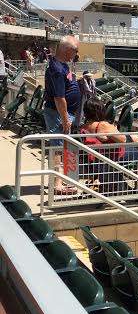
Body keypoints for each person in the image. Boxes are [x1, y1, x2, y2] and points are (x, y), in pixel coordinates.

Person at [44, 35, 83, 195]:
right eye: (75, 51)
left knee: (61, 148)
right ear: (67, 50)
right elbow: (59, 98)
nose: (76, 54)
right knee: (57, 149)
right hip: (59, 115)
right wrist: (66, 118)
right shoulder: (57, 70)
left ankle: (59, 180)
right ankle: (56, 185)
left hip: (64, 115)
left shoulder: (62, 65)